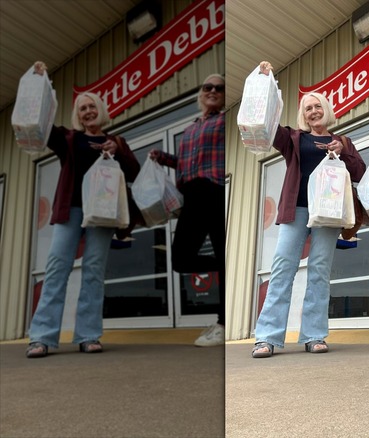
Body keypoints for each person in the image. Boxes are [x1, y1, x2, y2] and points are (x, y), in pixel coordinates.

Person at [26, 61, 141, 358]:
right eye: (82, 108)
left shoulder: (116, 142)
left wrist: (118, 152)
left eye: (92, 107)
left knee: (93, 271)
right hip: (71, 210)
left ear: (100, 110)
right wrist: (39, 83)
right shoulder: (68, 138)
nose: (88, 111)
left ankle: (88, 335)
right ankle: (41, 337)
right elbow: (41, 124)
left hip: (103, 214)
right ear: (77, 115)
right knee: (56, 269)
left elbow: (134, 172)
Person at [251, 61, 366, 358]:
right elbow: (267, 124)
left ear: (326, 110)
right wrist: (264, 83)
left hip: (328, 212)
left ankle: (314, 335)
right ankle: (266, 337)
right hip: (297, 209)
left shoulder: (343, 141)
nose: (313, 111)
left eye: (317, 106)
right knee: (282, 269)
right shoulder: (293, 138)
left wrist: (342, 153)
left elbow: (359, 172)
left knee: (318, 271)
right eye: (308, 108)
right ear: (303, 115)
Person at [150, 74, 226, 347]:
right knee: (181, 259)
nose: (214, 90)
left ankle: (223, 323)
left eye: (220, 87)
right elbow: (185, 162)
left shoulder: (225, 119)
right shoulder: (192, 127)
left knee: (220, 251)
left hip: (215, 190)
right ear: (201, 93)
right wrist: (163, 158)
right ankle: (222, 266)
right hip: (192, 196)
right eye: (208, 86)